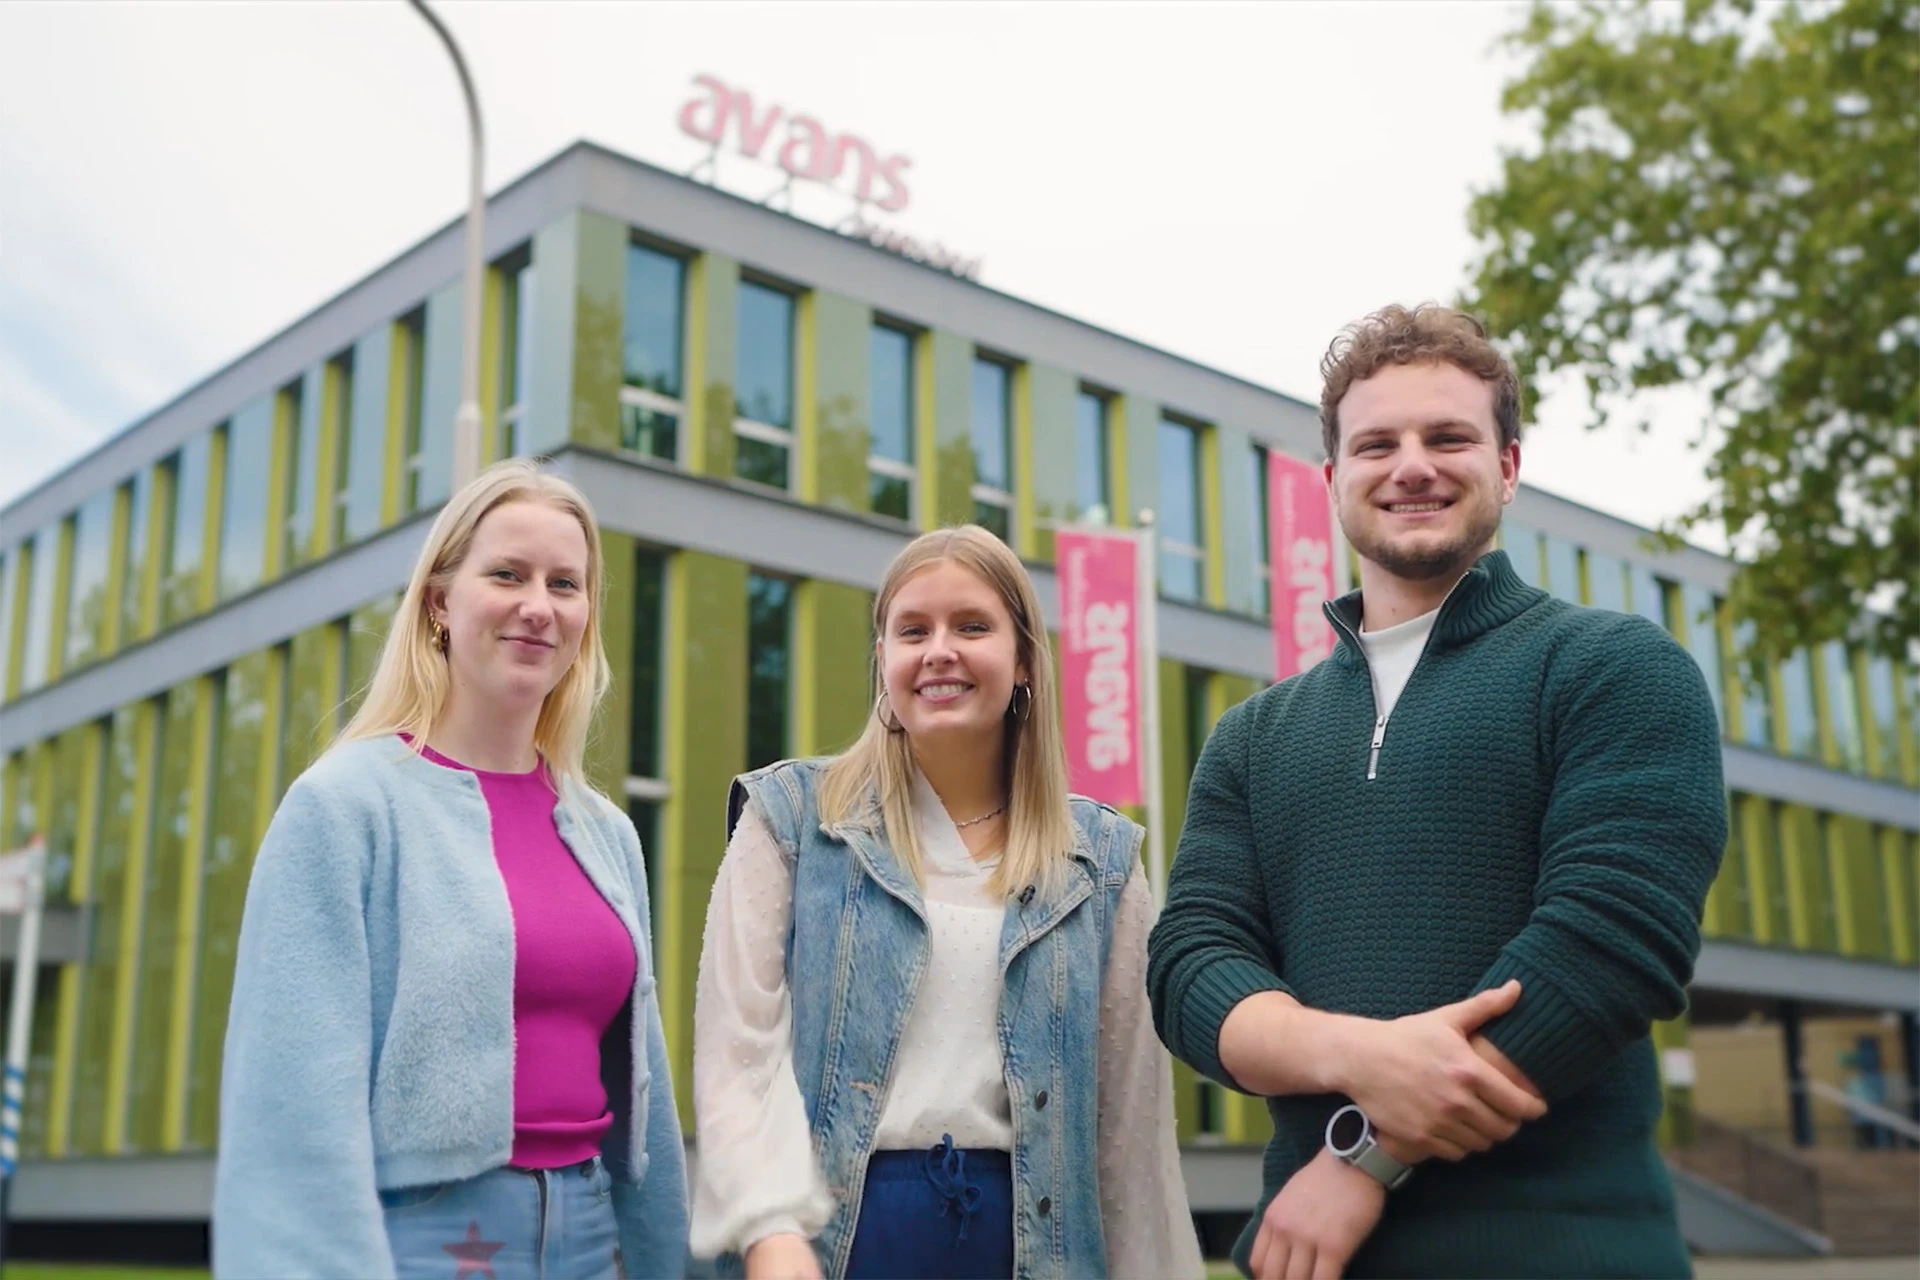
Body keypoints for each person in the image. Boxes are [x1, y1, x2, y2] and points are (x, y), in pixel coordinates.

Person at [1147, 303, 1727, 1279]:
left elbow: (1609, 947)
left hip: (1567, 1251)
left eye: (1448, 436)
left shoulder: (1615, 665)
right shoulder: (1251, 734)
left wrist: (1367, 1156)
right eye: (1378, 443)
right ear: (1335, 482)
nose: (1411, 464)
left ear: (1506, 464)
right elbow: (1191, 967)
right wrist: (1355, 1055)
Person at [213, 460, 688, 1279]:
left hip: (593, 1233)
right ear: (440, 600)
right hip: (425, 1242)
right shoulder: (345, 806)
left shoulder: (607, 833)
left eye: (565, 584)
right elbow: (289, 1108)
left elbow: (649, 1101)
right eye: (507, 574)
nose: (538, 606)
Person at [689, 525, 1204, 1280]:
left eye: (971, 626)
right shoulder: (793, 819)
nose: (939, 651)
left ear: (1024, 659)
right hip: (830, 1247)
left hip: (1034, 1250)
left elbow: (1130, 1130)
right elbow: (738, 1054)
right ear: (883, 661)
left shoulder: (1103, 860)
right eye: (912, 630)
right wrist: (769, 1232)